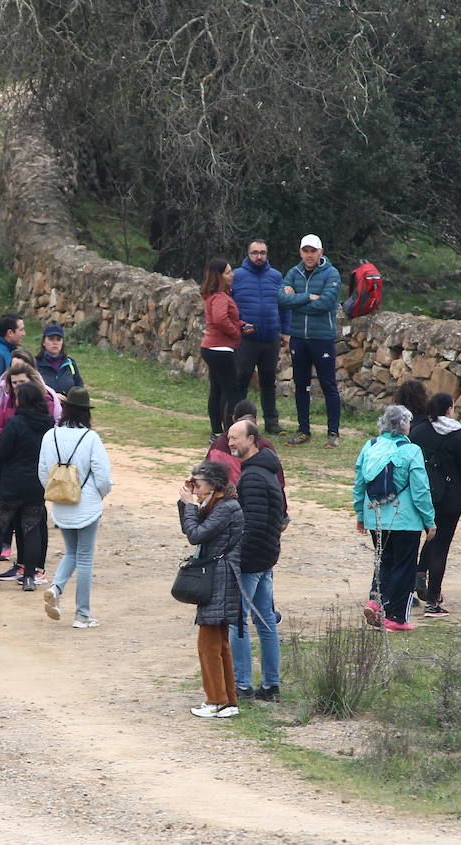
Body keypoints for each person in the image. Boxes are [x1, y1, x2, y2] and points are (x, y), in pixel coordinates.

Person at [353, 405, 436, 631]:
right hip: (405, 519)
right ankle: (396, 618)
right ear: (402, 424)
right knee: (405, 566)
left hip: (374, 516)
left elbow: (359, 483)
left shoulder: (370, 447)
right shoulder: (411, 451)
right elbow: (420, 491)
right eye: (408, 421)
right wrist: (430, 520)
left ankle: (376, 600)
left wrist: (360, 514)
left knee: (384, 560)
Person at [38, 387, 112, 628]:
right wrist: (98, 496)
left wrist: (56, 494)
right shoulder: (91, 438)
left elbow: (42, 472)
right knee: (85, 558)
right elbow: (102, 476)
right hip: (86, 504)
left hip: (60, 502)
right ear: (86, 413)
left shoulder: (50, 435)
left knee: (71, 552)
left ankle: (56, 588)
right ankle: (82, 614)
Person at [0, 384, 55, 591]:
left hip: (12, 484)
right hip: (37, 484)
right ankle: (28, 577)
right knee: (32, 529)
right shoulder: (48, 424)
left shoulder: (16, 423)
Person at [177, 461, 244, 719]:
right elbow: (189, 528)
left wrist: (190, 506)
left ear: (214, 484)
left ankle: (215, 700)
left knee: (208, 643)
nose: (196, 488)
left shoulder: (225, 508)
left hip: (219, 578)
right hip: (221, 577)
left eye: (199, 484)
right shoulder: (217, 504)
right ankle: (228, 701)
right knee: (219, 643)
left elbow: (196, 534)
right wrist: (186, 504)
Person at [227, 419, 286, 701]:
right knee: (265, 621)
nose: (231, 443)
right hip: (266, 557)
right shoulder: (267, 471)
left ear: (252, 439)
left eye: (236, 438)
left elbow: (253, 524)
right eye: (229, 438)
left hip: (252, 560)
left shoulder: (251, 478)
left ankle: (242, 685)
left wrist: (240, 560)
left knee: (237, 621)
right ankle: (271, 685)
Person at [409, 393, 461, 617]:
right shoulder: (456, 434)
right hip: (450, 497)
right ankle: (433, 602)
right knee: (441, 546)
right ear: (449, 409)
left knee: (425, 537)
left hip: (421, 496)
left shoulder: (417, 432)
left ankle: (417, 576)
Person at [278, 234, 342, 448]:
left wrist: (296, 299)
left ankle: (333, 432)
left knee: (328, 385)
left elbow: (325, 303)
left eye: (313, 251)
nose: (309, 255)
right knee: (301, 385)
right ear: (300, 252)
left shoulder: (331, 273)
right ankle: (303, 430)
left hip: (321, 338)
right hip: (298, 338)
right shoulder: (293, 272)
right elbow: (282, 299)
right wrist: (307, 296)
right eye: (305, 250)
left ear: (321, 252)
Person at [230, 240, 287, 435]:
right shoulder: (236, 276)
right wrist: (237, 326)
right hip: (246, 339)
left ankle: (272, 422)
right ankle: (236, 422)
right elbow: (227, 306)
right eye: (255, 253)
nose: (259, 256)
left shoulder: (276, 276)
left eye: (262, 252)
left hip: (271, 338)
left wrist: (285, 331)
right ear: (248, 254)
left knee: (268, 382)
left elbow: (283, 305)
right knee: (241, 381)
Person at [199, 258, 245, 440]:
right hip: (221, 349)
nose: (232, 275)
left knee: (217, 389)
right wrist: (235, 333)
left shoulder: (213, 296)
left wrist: (240, 325)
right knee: (231, 392)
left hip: (211, 347)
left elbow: (221, 320)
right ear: (219, 276)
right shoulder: (220, 297)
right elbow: (219, 319)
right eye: (228, 272)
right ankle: (235, 433)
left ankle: (217, 431)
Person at [36, 324, 84, 395]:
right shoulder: (35, 364)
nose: (55, 343)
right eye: (51, 339)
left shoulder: (70, 364)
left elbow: (79, 388)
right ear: (43, 342)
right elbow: (32, 390)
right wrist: (53, 396)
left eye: (58, 339)